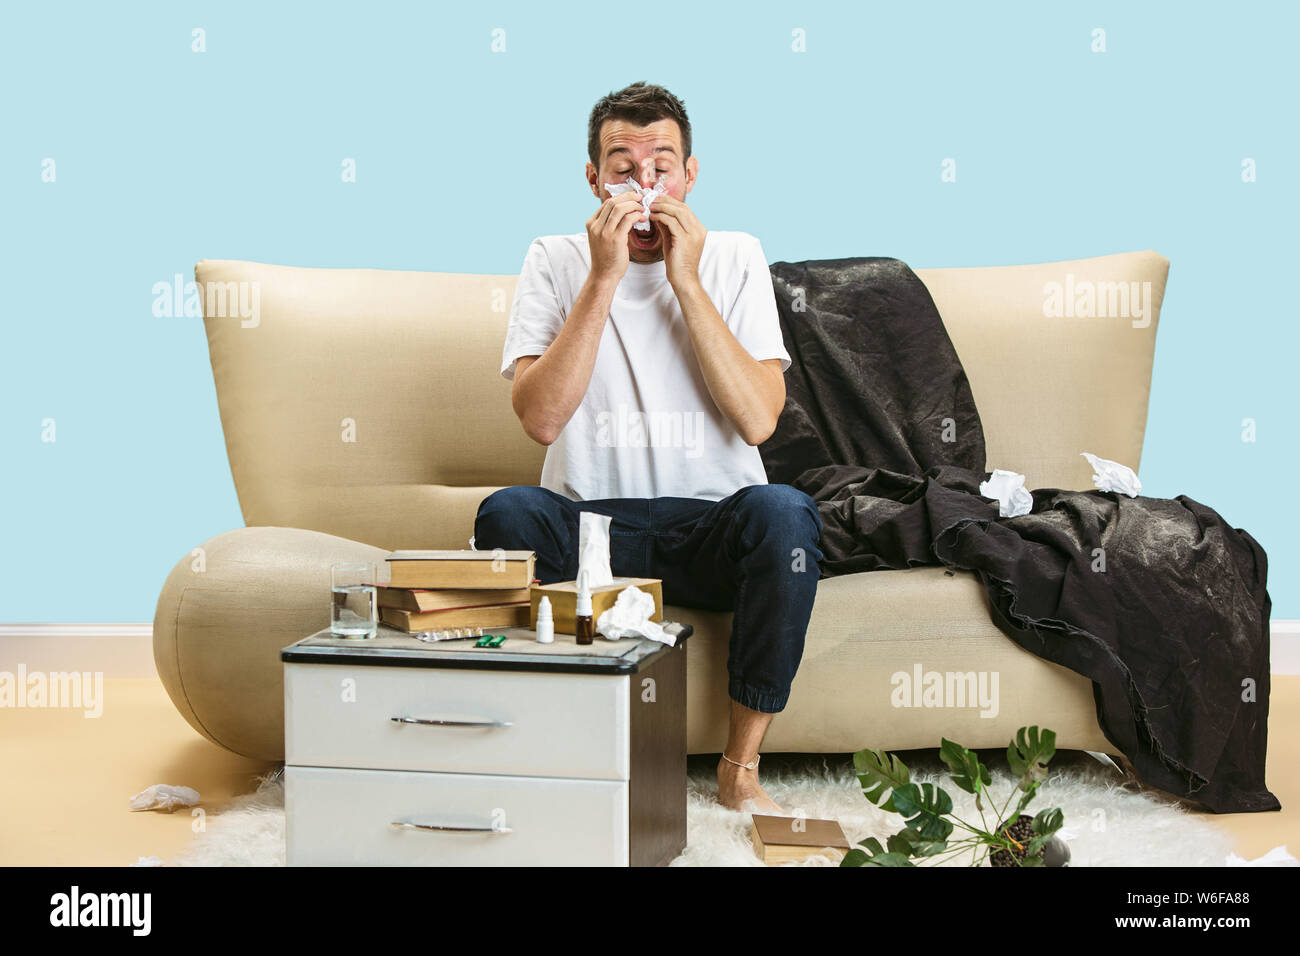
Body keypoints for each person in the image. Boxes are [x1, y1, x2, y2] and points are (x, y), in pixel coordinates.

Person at [473, 81, 823, 814]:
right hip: (591, 531)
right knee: (505, 515)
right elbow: (540, 419)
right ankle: (537, 751)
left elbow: (760, 420)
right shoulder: (554, 258)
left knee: (786, 513)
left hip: (712, 526)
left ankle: (739, 764)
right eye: (621, 165)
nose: (643, 184)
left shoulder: (732, 256)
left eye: (661, 165)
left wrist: (684, 279)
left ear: (690, 177)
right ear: (594, 180)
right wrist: (603, 277)